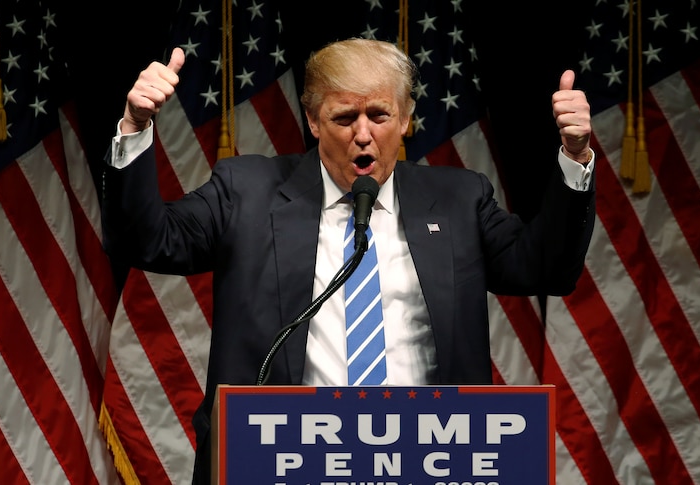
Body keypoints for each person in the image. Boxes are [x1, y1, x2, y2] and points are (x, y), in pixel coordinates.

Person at [101, 37, 596, 483]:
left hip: (429, 463)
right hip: (284, 464)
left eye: (379, 115)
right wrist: (136, 126)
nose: (363, 134)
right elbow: (148, 241)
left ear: (405, 118)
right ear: (314, 121)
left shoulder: (458, 199)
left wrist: (574, 157)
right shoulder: (247, 192)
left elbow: (545, 269)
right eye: (344, 118)